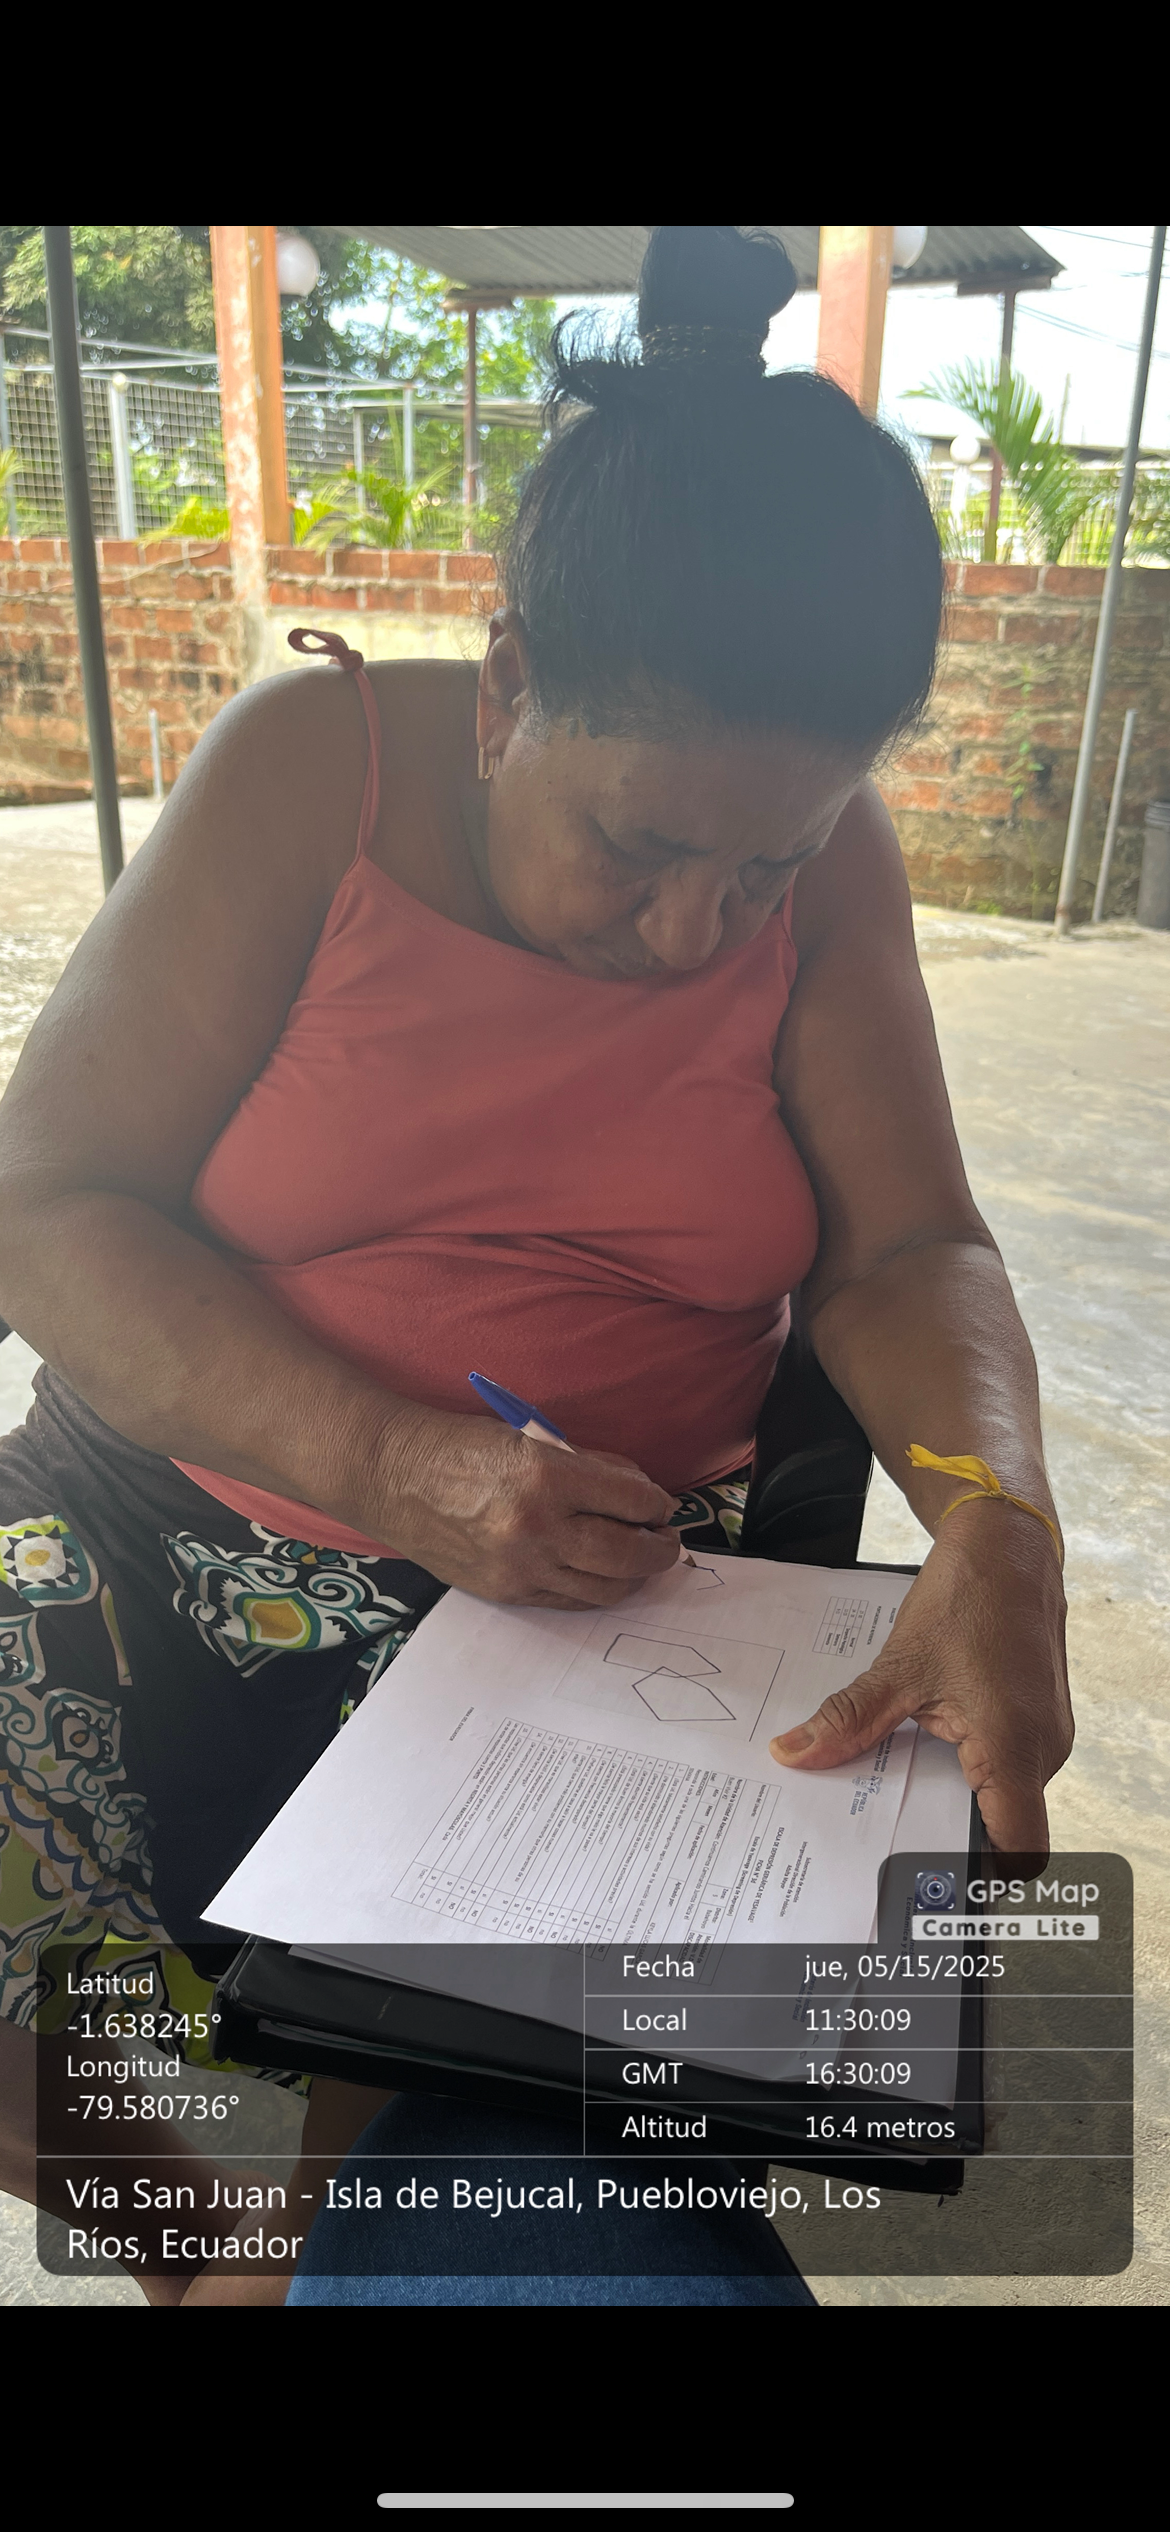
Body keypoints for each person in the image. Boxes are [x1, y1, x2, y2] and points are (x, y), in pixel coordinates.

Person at [0, 226, 1070, 2306]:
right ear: (502, 694)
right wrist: (388, 1460)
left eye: (761, 868)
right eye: (641, 848)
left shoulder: (831, 868)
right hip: (172, 1514)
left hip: (602, 1595)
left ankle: (330, 2223)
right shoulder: (311, 777)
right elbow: (46, 1204)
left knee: (480, 2096)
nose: (696, 933)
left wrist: (993, 1511)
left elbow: (909, 1246)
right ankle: (207, 2250)